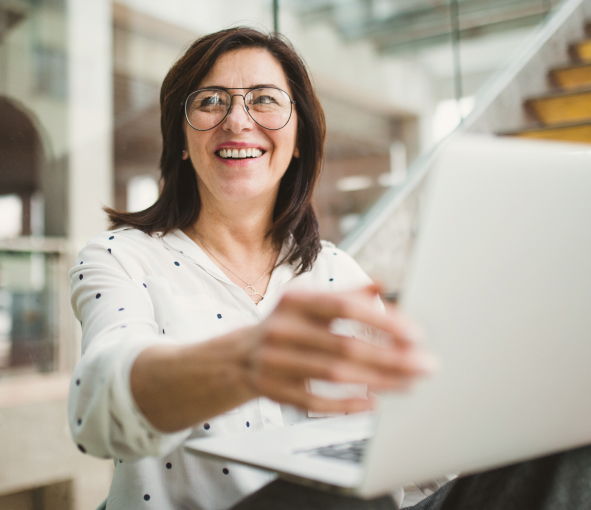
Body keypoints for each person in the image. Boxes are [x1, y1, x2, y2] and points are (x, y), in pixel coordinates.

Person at [68, 27, 435, 510]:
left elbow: (403, 436)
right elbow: (99, 407)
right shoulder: (122, 257)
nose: (237, 121)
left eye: (264, 99)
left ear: (298, 136)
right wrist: (242, 363)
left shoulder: (337, 271)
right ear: (180, 139)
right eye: (211, 101)